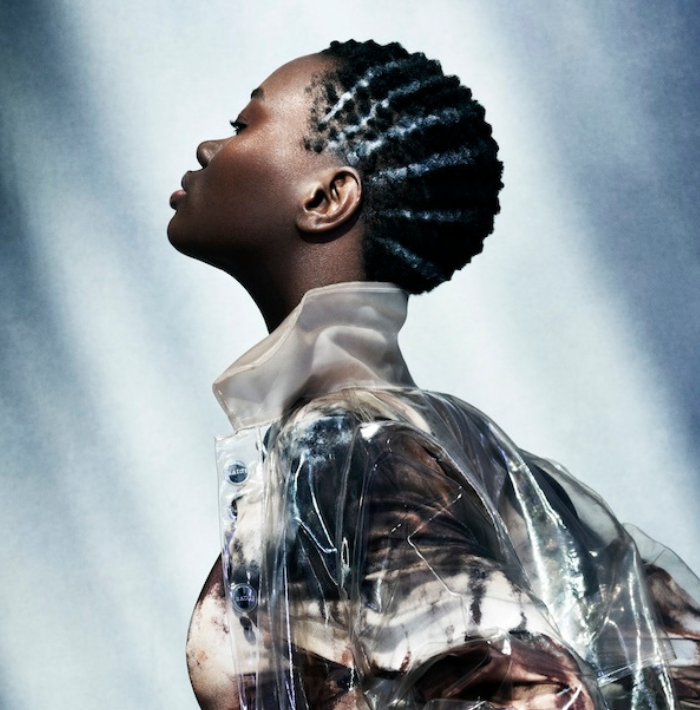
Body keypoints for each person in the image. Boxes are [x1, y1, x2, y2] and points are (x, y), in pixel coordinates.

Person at [168, 40, 700, 710]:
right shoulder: (449, 445)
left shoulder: (350, 448)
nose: (208, 148)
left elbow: (528, 694)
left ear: (328, 197)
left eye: (243, 125)